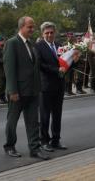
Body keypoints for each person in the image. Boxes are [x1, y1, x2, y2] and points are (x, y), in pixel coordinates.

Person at [3, 16, 49, 160]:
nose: (32, 29)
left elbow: (34, 67)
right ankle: (10, 146)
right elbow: (9, 69)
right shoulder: (12, 43)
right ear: (21, 27)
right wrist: (12, 90)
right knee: (12, 121)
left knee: (33, 121)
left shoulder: (31, 44)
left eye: (33, 27)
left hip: (32, 91)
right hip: (17, 92)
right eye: (29, 27)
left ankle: (34, 149)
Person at [35, 22, 69, 152]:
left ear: (55, 33)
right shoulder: (38, 46)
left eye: (51, 32)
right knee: (44, 116)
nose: (49, 35)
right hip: (45, 86)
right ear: (43, 34)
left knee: (57, 115)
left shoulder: (60, 46)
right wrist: (56, 70)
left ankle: (56, 140)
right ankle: (44, 141)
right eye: (47, 33)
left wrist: (74, 61)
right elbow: (40, 65)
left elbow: (65, 63)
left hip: (59, 85)